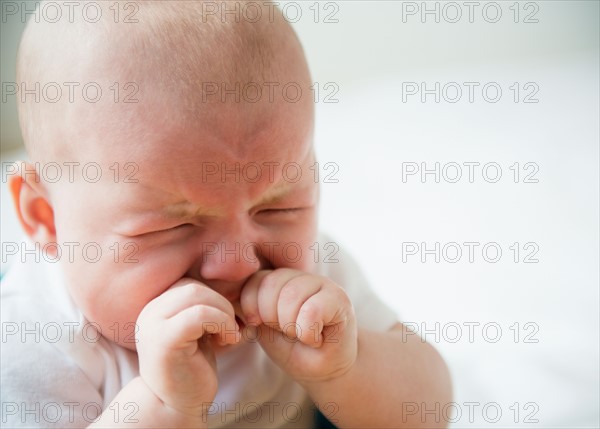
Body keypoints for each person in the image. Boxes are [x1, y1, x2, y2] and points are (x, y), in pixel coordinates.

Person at [2, 1, 452, 427]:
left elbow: (428, 410)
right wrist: (163, 408)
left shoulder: (317, 283)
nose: (239, 261)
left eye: (279, 206)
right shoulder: (34, 340)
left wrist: (347, 368)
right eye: (174, 224)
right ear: (47, 218)